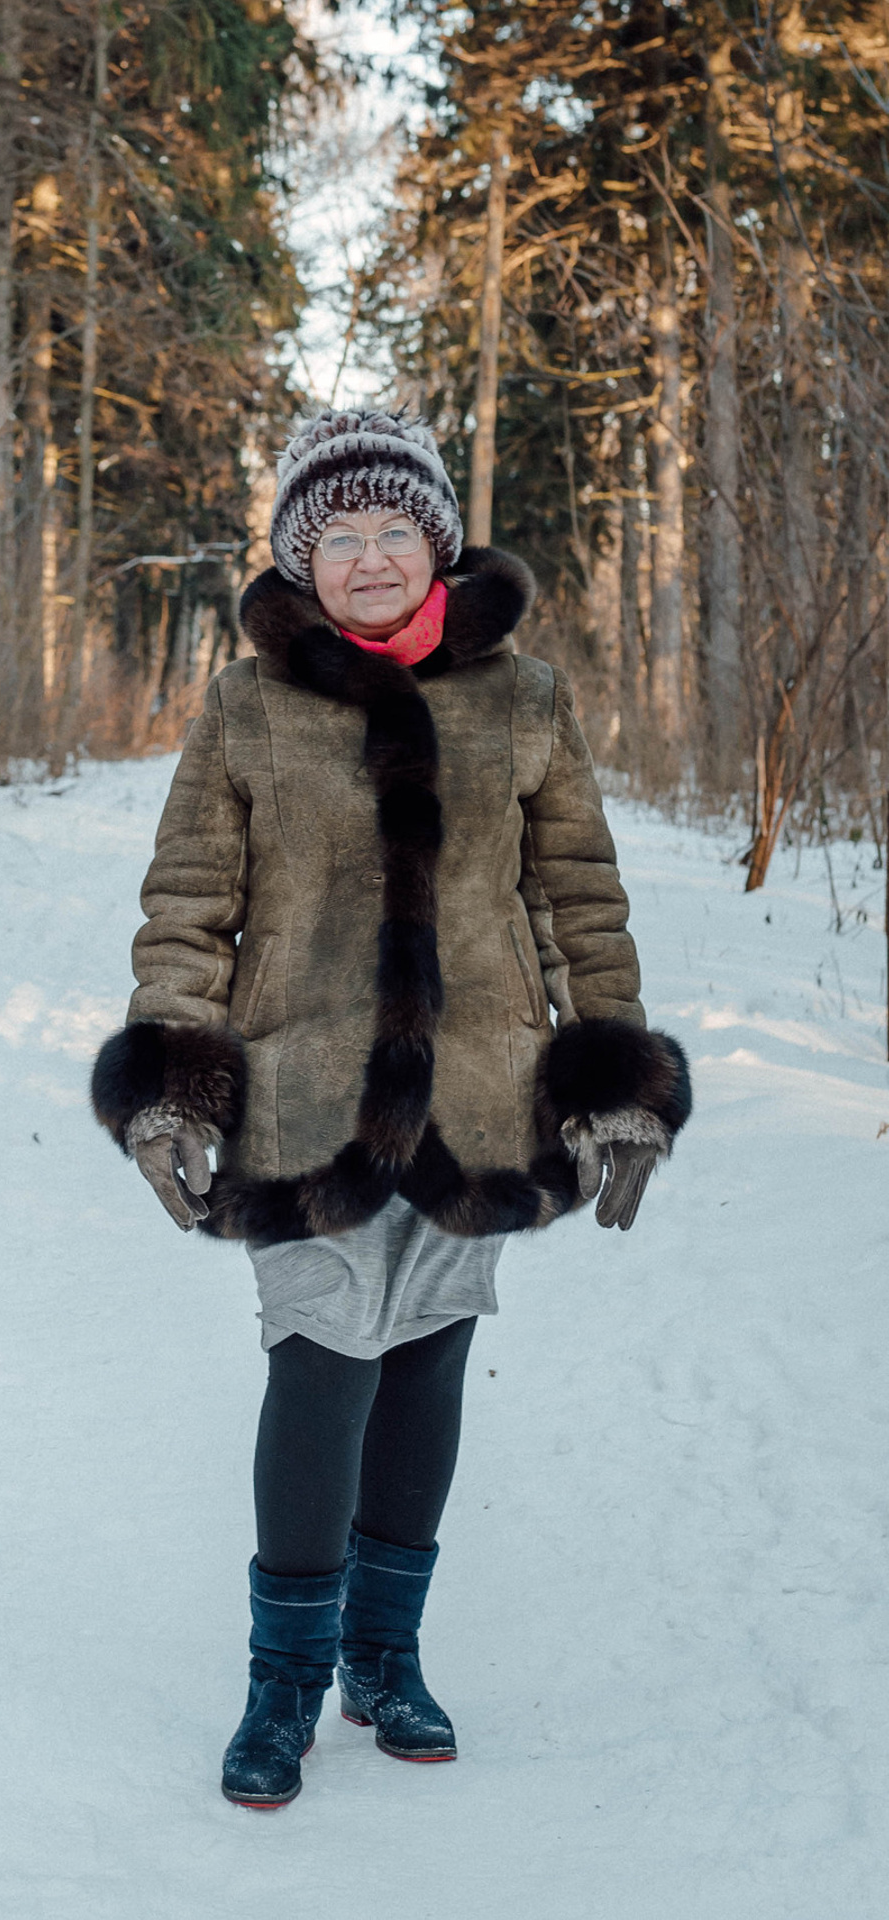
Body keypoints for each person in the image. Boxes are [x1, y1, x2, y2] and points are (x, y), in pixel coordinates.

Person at [89, 409, 691, 1810]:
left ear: (437, 542)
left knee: (425, 1365)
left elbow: (576, 900)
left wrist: (611, 1082)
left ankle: (384, 1654)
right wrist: (172, 1081)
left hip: (477, 1093)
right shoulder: (246, 708)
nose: (367, 560)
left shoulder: (525, 700)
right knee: (321, 1366)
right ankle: (283, 1679)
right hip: (305, 1098)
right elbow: (190, 905)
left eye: (391, 532)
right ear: (303, 559)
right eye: (336, 537)